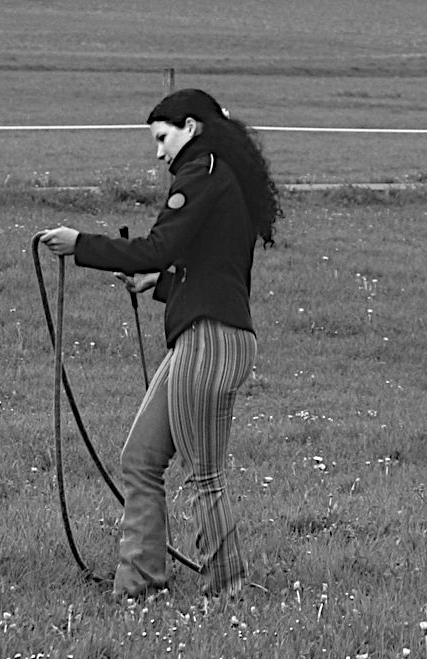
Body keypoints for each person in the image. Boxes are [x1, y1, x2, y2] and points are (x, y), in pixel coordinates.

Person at [39, 88, 281, 599]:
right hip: (205, 333)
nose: (158, 152)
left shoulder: (204, 173)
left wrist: (80, 245)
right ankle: (140, 584)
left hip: (211, 340)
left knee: (204, 475)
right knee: (140, 459)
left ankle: (229, 590)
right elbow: (212, 268)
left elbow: (161, 247)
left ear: (190, 128)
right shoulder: (218, 175)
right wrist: (160, 284)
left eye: (162, 137)